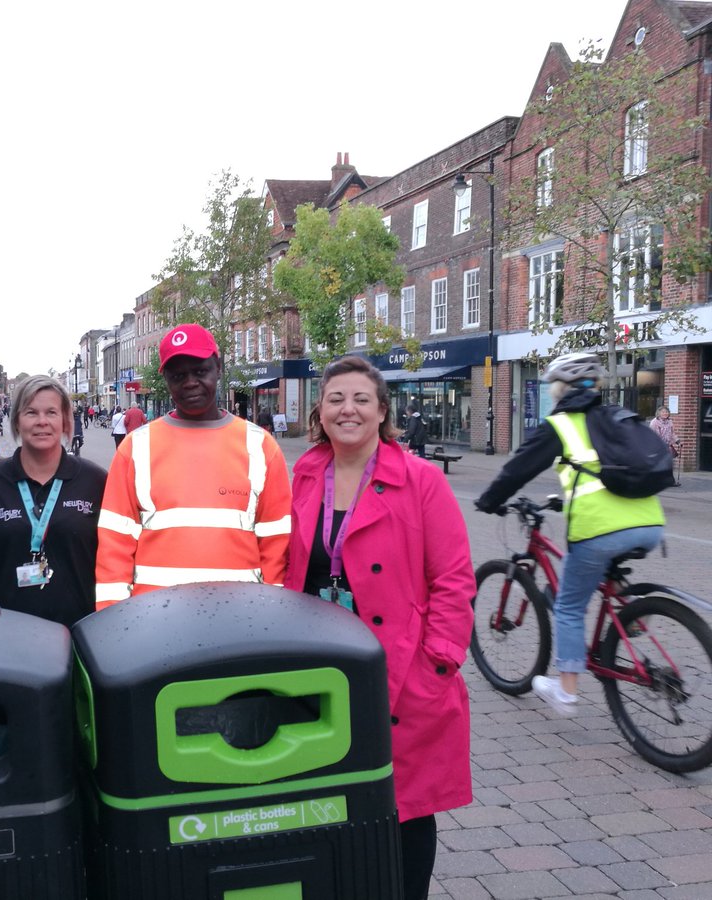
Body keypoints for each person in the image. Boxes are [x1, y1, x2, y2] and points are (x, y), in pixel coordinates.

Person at [283, 355, 474, 900]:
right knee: (330, 807)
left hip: (401, 672)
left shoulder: (420, 481)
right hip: (315, 676)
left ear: (382, 411)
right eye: (336, 399)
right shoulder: (303, 476)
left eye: (361, 399)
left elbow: (454, 580)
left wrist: (437, 663)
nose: (348, 409)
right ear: (320, 411)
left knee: (406, 813)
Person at [476, 351, 665, 713]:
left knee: (569, 605)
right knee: (598, 575)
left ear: (561, 388)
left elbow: (517, 470)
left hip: (600, 529)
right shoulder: (616, 416)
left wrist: (488, 500)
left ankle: (566, 691)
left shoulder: (561, 424)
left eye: (552, 387)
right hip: (650, 523)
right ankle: (634, 614)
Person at [96, 323, 291, 606]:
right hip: (153, 618)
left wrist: (271, 613)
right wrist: (112, 624)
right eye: (178, 376)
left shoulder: (260, 445)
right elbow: (115, 544)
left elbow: (276, 542)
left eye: (200, 371)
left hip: (241, 616)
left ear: (218, 368)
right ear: (166, 380)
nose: (190, 382)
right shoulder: (136, 448)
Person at [0, 376, 108, 627]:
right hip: (2, 628)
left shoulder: (95, 480)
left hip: (78, 627)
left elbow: (116, 552)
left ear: (65, 420)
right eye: (31, 412)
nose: (42, 421)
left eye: (51, 412)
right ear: (16, 420)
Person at [650, 404, 680, 485]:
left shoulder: (669, 422)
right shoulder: (654, 422)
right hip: (658, 446)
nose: (665, 413)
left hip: (667, 446)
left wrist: (677, 441)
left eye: (666, 412)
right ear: (659, 413)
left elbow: (672, 433)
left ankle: (670, 481)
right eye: (663, 412)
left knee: (669, 464)